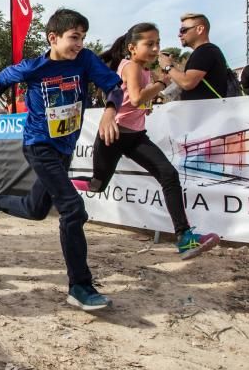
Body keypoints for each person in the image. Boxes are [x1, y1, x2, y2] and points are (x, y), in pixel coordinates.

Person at [0, 8, 123, 311]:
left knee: (36, 208)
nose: (79, 44)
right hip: (38, 145)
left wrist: (109, 110)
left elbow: (114, 87)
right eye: (73, 38)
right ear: (53, 38)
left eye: (82, 38)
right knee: (73, 210)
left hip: (65, 147)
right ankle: (80, 286)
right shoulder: (32, 68)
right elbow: (0, 79)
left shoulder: (86, 60)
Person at [74, 23, 221, 259]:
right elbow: (136, 96)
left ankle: (184, 238)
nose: (155, 49)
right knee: (96, 185)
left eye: (158, 43)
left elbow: (138, 102)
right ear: (132, 48)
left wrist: (146, 106)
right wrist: (162, 83)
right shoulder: (131, 66)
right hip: (113, 135)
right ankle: (63, 182)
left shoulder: (143, 70)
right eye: (149, 44)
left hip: (135, 137)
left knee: (168, 175)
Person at [157, 13, 229, 101]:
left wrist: (168, 66)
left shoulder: (205, 50)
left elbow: (187, 82)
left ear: (200, 29)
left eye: (183, 30)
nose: (179, 35)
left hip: (207, 112)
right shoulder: (208, 51)